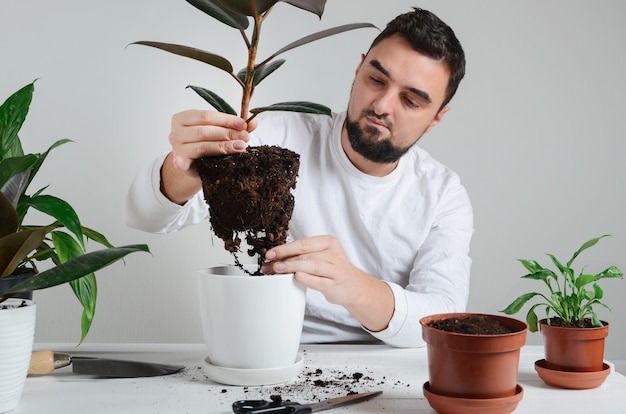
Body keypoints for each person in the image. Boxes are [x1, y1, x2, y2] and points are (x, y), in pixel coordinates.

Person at [126, 7, 473, 348]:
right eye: (376, 79)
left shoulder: (441, 193)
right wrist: (182, 167)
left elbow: (443, 318)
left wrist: (353, 285)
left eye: (411, 101)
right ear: (359, 66)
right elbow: (144, 216)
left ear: (436, 118)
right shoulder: (274, 139)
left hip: (385, 367)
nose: (382, 105)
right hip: (268, 352)